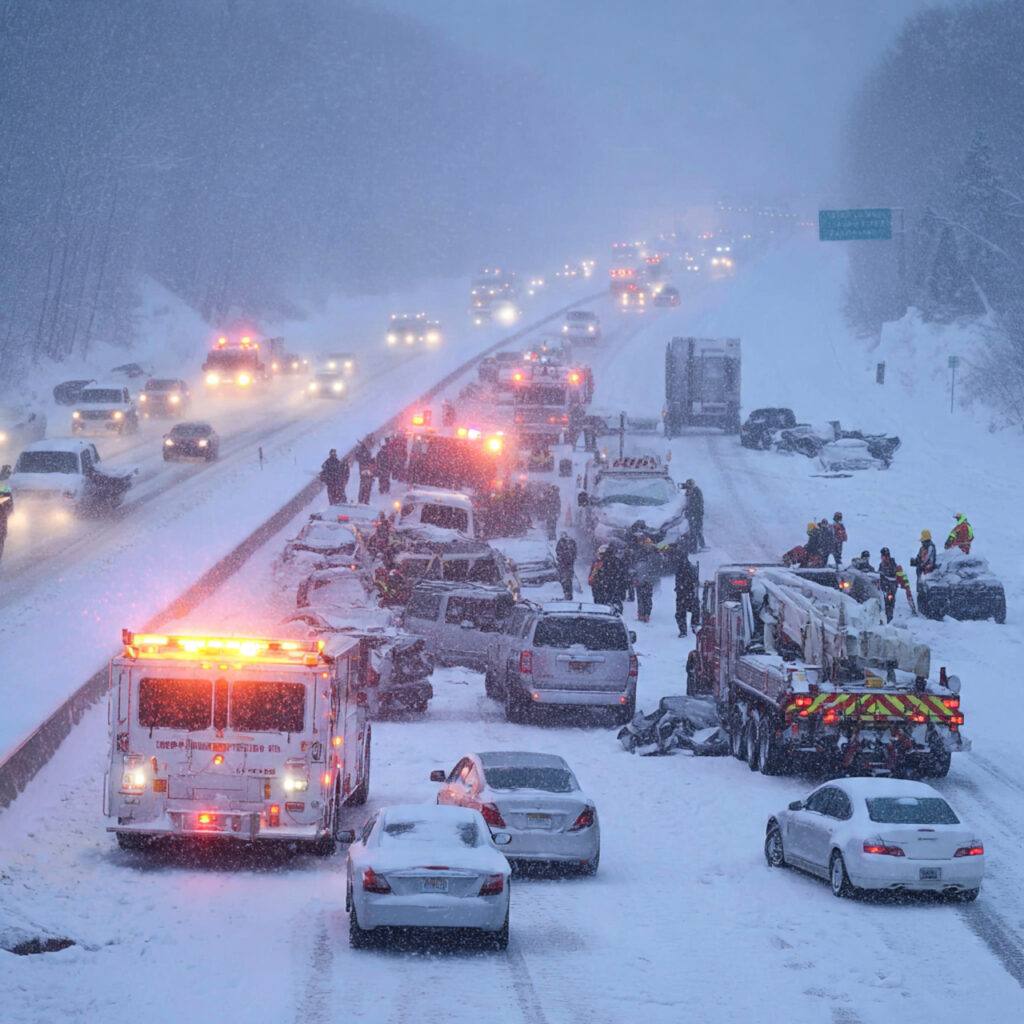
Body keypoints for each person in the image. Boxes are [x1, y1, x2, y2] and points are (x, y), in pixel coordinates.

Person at [879, 547, 915, 621]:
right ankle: (887, 619)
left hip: (890, 589)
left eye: (884, 556)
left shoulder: (892, 565)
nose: (883, 558)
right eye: (882, 556)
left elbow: (894, 576)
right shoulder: (882, 565)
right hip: (884, 589)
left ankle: (889, 619)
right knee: (886, 605)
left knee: (889, 604)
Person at [674, 548, 700, 637]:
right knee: (694, 610)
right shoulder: (691, 567)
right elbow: (695, 580)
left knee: (681, 613)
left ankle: (683, 631)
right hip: (689, 593)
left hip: (683, 594)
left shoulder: (680, 567)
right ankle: (694, 625)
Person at [683, 479, 705, 549]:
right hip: (691, 514)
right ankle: (700, 545)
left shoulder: (697, 492)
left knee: (696, 531)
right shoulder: (689, 492)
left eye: (689, 485)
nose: (688, 487)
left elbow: (698, 503)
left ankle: (695, 547)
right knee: (694, 531)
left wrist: (692, 511)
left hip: (696, 514)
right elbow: (686, 502)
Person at [555, 531, 577, 600]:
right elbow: (575, 552)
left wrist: (560, 560)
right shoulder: (572, 541)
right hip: (569, 565)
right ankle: (568, 594)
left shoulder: (561, 542)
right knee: (568, 579)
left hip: (564, 565)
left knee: (565, 579)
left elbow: (558, 552)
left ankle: (567, 594)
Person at [355, 434, 376, 505]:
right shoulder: (367, 454)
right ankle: (365, 502)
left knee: (363, 489)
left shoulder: (362, 454)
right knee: (366, 489)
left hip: (364, 475)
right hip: (367, 475)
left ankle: (361, 501)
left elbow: (358, 458)